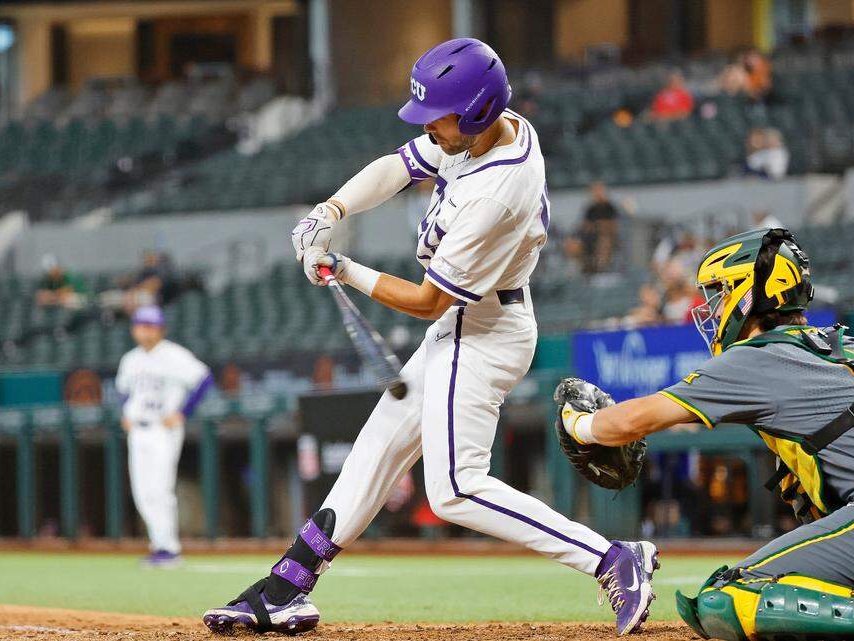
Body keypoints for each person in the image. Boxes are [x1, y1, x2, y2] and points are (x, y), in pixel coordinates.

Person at [203, 38, 658, 637]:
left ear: (473, 112)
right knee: (374, 452)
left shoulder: (497, 190)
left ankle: (611, 558)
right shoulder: (489, 128)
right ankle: (287, 588)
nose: (428, 127)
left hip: (484, 331)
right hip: (467, 324)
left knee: (454, 490)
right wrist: (332, 210)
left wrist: (342, 267)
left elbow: (428, 300)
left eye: (438, 115)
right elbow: (398, 165)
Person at [555, 228, 854, 641]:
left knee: (724, 597)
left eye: (720, 293)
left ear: (750, 292)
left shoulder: (758, 356)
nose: (712, 309)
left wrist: (579, 423)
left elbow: (633, 420)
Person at [116, 306, 213, 568]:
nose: (145, 330)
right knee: (142, 492)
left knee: (160, 488)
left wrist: (183, 412)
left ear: (160, 329)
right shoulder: (130, 359)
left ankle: (169, 549)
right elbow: (123, 390)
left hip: (163, 429)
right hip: (138, 429)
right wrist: (124, 410)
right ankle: (158, 545)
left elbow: (204, 379)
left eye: (150, 325)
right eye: (141, 325)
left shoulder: (174, 355)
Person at [579, 181, 621, 274]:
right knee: (575, 245)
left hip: (608, 237)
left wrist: (598, 225)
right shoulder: (591, 209)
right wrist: (598, 225)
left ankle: (602, 270)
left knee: (604, 242)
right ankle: (586, 271)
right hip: (591, 237)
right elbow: (585, 226)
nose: (596, 194)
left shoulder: (610, 207)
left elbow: (614, 225)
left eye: (599, 191)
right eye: (594, 191)